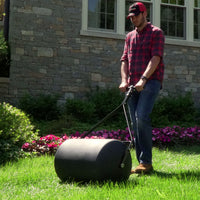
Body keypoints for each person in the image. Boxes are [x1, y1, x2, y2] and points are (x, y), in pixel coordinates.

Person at [119, 2, 165, 174]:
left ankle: (146, 162)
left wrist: (144, 79)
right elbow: (124, 60)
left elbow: (156, 57)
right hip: (132, 84)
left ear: (144, 14)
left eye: (136, 16)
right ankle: (141, 163)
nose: (133, 19)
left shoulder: (156, 33)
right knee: (135, 122)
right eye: (131, 17)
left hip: (151, 81)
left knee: (141, 117)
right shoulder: (130, 36)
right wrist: (124, 80)